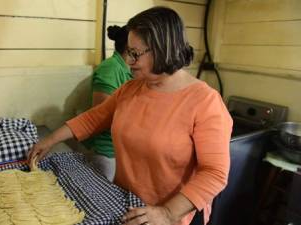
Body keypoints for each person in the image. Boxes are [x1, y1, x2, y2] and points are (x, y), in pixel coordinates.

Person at [28, 6, 232, 225]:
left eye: (135, 54)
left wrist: (167, 213)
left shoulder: (204, 102)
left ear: (162, 49)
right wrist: (49, 140)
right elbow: (93, 119)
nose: (128, 61)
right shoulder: (131, 89)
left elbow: (214, 173)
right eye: (129, 52)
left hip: (171, 215)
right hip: (125, 202)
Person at [83, 25, 132, 181]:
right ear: (130, 47)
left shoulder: (128, 69)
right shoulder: (110, 69)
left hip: (122, 151)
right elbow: (100, 115)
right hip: (107, 151)